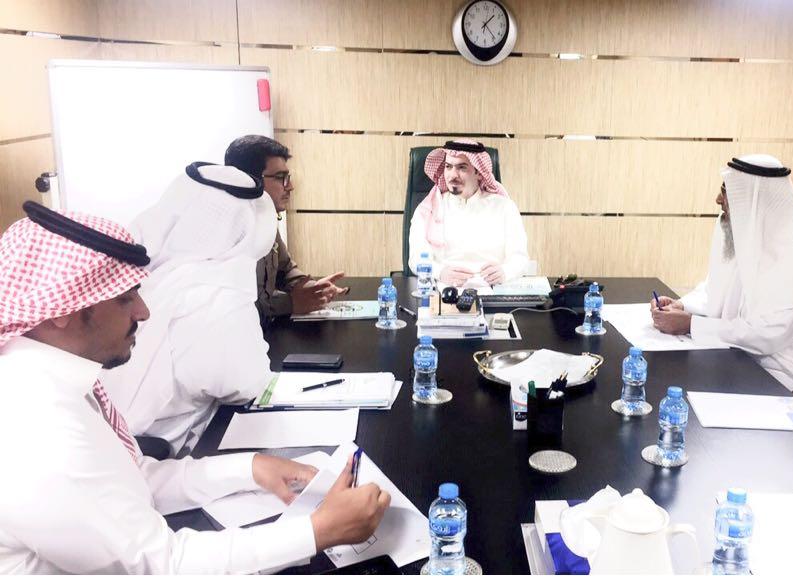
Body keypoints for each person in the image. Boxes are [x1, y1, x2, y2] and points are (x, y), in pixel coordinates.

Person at [0, 201, 390, 573]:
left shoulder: (52, 375)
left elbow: (135, 482)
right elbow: (164, 565)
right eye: (124, 299)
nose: (143, 311)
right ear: (60, 312)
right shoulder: (38, 427)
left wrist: (250, 467)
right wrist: (318, 531)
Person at [102, 163, 280, 453]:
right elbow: (249, 385)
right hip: (169, 456)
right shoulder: (221, 294)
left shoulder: (144, 273)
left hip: (110, 437)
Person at [651, 155, 793, 390]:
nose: (718, 200)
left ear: (754, 198)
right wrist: (681, 306)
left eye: (726, 192)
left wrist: (690, 325)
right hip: (747, 358)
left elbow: (768, 334)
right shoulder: (753, 235)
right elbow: (717, 286)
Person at [224, 135, 348, 326]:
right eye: (280, 177)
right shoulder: (226, 234)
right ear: (249, 180)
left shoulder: (265, 220)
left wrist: (313, 289)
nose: (290, 186)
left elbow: (286, 269)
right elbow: (231, 308)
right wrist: (290, 303)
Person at [408, 139, 529, 287]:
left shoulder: (504, 207)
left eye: (462, 168)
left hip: (494, 290)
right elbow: (416, 258)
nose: (453, 175)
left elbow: (520, 258)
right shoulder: (428, 209)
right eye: (448, 167)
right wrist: (440, 272)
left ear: (479, 172)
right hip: (444, 290)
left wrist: (505, 271)